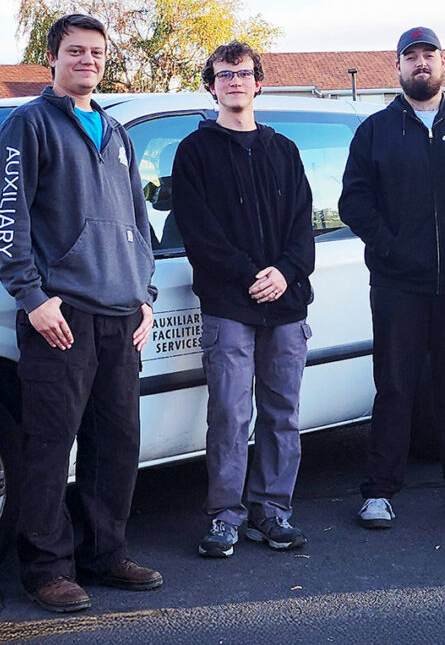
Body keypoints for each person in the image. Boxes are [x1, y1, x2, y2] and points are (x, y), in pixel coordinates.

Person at [0, 14, 162, 612]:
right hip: (61, 318)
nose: (87, 60)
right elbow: (7, 216)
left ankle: (105, 554)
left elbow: (139, 222)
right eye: (74, 51)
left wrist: (146, 293)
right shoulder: (28, 124)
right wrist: (32, 297)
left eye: (96, 52)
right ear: (52, 58)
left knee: (116, 444)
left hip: (121, 315)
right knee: (49, 446)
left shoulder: (116, 132)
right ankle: (45, 569)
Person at [340, 26, 445, 528]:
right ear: (397, 68)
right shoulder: (376, 129)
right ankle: (379, 491)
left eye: (429, 56)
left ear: (443, 65)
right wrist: (391, 246)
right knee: (394, 385)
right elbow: (354, 200)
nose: (421, 64)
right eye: (410, 56)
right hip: (398, 283)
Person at [172, 42, 314, 558]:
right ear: (211, 85)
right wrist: (254, 274)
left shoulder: (285, 150)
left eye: (244, 73)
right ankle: (225, 517)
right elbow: (199, 234)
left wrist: (285, 272)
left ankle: (273, 513)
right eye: (224, 74)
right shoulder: (194, 151)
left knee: (282, 414)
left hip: (286, 304)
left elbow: (304, 227)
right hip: (228, 306)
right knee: (230, 415)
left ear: (260, 83)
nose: (235, 81)